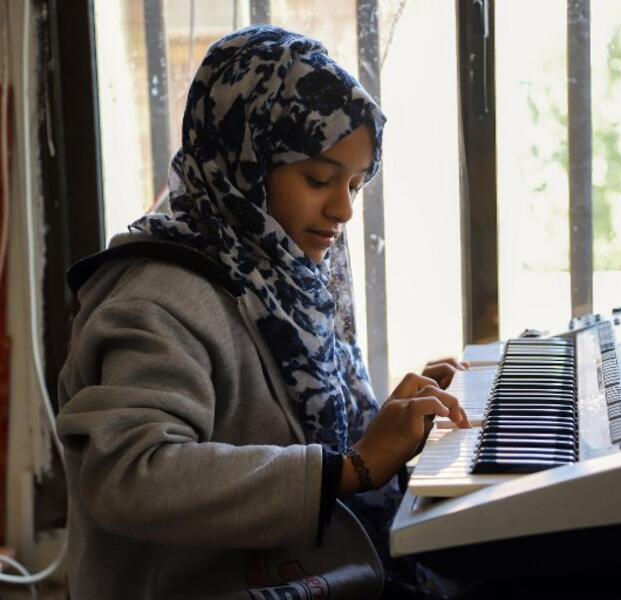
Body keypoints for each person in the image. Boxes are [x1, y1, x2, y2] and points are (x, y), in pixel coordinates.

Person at [57, 25, 469, 600]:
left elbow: (294, 434)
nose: (344, 209)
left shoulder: (273, 277)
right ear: (246, 164)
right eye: (319, 178)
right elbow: (130, 476)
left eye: (355, 184)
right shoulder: (155, 301)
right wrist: (349, 468)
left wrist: (390, 428)